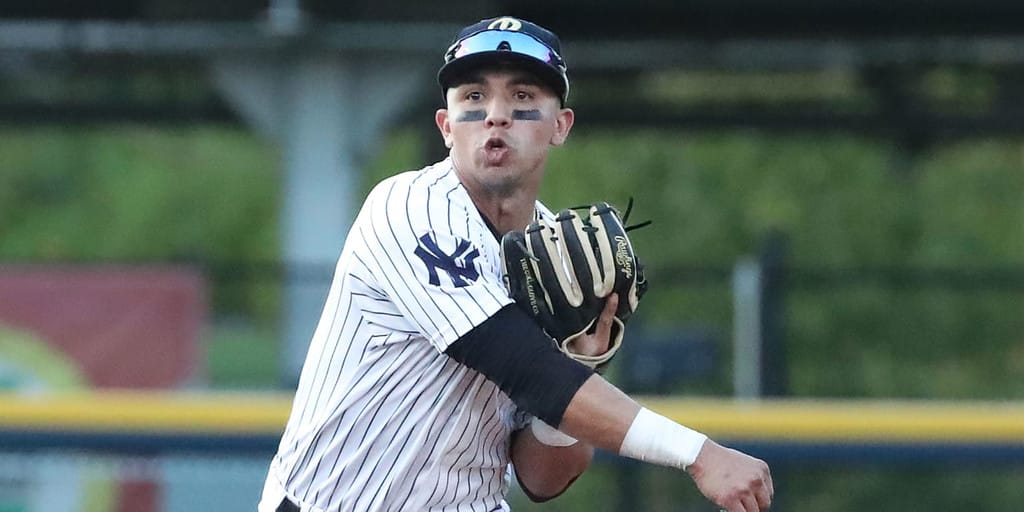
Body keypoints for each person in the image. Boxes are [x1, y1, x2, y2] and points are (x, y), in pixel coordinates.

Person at [258, 15, 773, 512]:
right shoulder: (408, 207)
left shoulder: (555, 256)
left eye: (523, 96)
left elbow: (542, 476)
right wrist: (698, 454)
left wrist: (580, 366)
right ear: (445, 125)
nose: (496, 114)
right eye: (473, 97)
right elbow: (522, 366)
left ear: (560, 125)